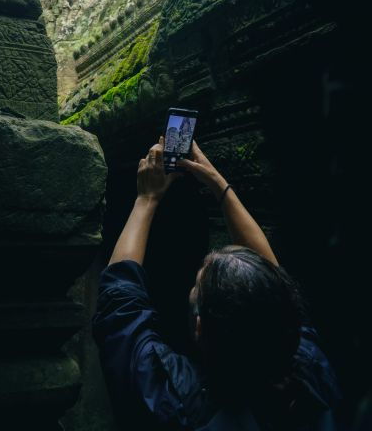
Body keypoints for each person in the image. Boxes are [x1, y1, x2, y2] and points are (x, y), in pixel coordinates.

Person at [92, 138, 340, 430]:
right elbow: (271, 283)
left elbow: (120, 301)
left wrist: (146, 199)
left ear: (199, 328)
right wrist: (218, 184)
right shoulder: (310, 374)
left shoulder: (175, 401)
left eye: (197, 285)